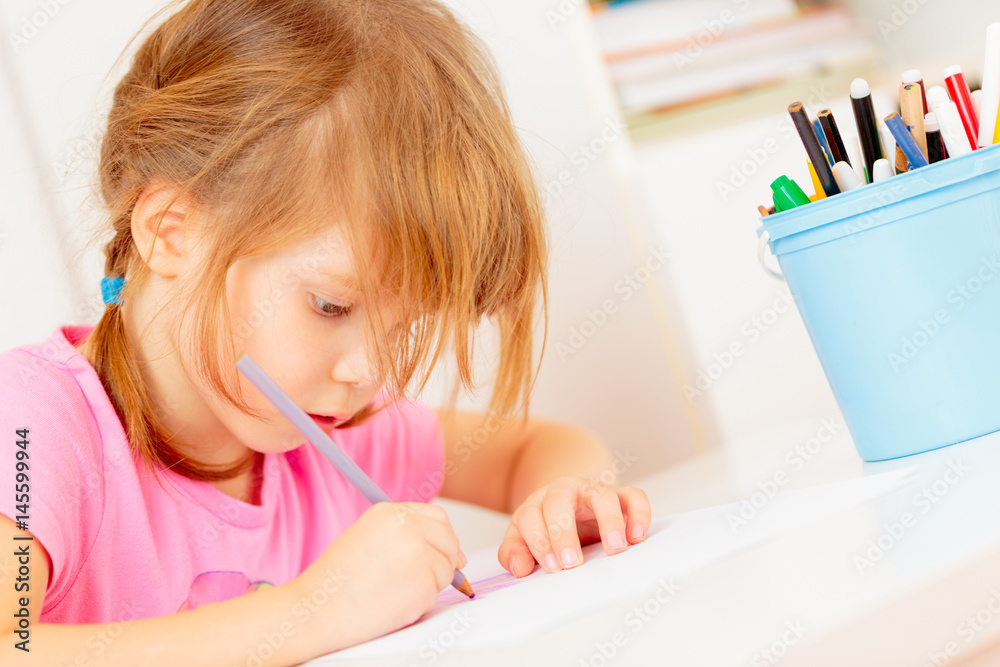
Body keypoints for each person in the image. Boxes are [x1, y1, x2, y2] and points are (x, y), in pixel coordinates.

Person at [0, 0, 651, 663]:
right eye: (332, 306)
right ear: (173, 232)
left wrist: (564, 499)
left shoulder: (332, 428)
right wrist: (311, 612)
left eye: (403, 328)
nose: (366, 372)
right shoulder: (33, 429)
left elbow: (533, 450)